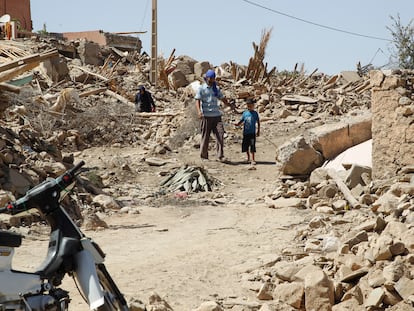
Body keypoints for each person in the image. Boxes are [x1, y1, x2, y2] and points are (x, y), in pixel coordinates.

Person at [195, 69, 235, 162]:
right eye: (211, 78)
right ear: (207, 78)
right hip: (206, 116)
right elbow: (197, 100)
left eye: (213, 78)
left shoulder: (216, 88)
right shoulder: (201, 88)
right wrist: (199, 112)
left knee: (220, 135)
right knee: (205, 136)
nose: (212, 80)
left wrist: (229, 105)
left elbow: (222, 98)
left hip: (216, 116)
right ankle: (204, 156)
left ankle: (220, 156)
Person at [234, 98, 260, 166]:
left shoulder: (255, 113)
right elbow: (242, 120)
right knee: (246, 146)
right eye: (248, 106)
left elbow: (258, 122)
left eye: (250, 106)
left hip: (252, 133)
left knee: (252, 146)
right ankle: (248, 158)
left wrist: (258, 131)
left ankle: (253, 159)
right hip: (246, 133)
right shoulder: (245, 113)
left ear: (253, 105)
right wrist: (237, 124)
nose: (249, 107)